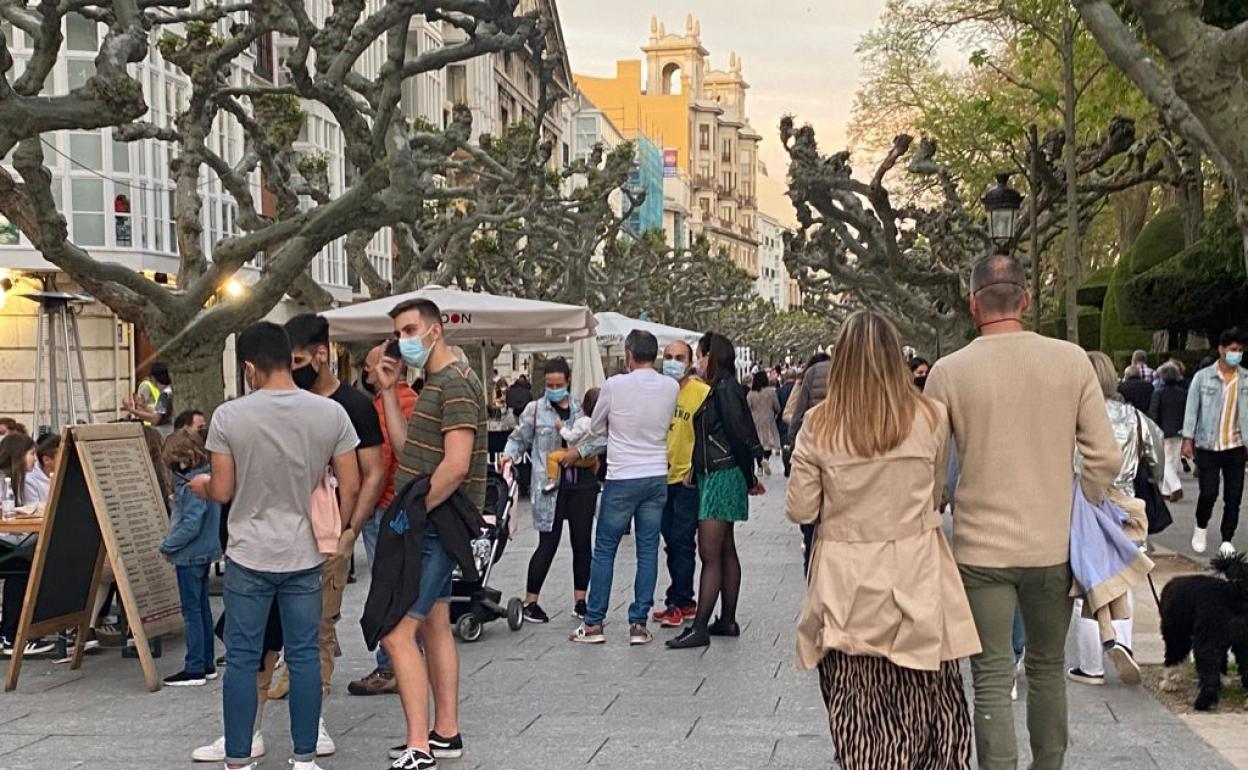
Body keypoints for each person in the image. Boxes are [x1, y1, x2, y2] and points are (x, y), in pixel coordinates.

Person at [923, 254, 1120, 770]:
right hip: (1051, 544)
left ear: (973, 305)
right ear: (1027, 300)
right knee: (1049, 667)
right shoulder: (1071, 361)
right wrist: (1082, 499)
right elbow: (1105, 456)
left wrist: (937, 505)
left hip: (980, 549)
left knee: (991, 674)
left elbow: (931, 467)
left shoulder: (948, 372)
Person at [786, 311, 979, 769]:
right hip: (917, 569)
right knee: (928, 695)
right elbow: (936, 494)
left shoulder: (819, 424)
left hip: (846, 579)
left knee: (857, 701)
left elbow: (801, 509)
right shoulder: (931, 417)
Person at [189, 321, 361, 770]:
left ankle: (238, 757)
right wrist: (338, 530)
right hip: (305, 552)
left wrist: (203, 486)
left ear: (250, 368)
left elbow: (223, 490)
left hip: (248, 552)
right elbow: (351, 483)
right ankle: (304, 757)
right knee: (303, 656)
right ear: (290, 358)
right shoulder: (330, 414)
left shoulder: (229, 417)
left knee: (243, 658)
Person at [371, 298, 488, 770]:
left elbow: (455, 466)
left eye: (409, 330)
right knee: (435, 624)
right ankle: (445, 732)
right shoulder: (436, 382)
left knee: (397, 634)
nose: (403, 340)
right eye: (398, 333)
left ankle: (418, 746)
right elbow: (410, 451)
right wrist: (388, 391)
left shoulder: (453, 384)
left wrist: (414, 513)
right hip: (434, 522)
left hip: (437, 525)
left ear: (434, 331)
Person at [284, 313, 386, 747]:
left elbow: (372, 473)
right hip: (284, 530)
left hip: (331, 534)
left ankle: (315, 717)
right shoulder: (284, 400)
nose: (290, 369)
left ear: (321, 355)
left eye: (297, 360)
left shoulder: (354, 406)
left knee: (320, 626)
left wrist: (350, 531)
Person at [571, 330, 678, 647]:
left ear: (628, 354)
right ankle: (638, 623)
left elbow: (595, 426)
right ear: (655, 355)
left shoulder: (614, 385)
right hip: (656, 474)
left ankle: (594, 623)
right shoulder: (671, 386)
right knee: (648, 549)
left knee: (605, 549)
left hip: (622, 475)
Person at [1067, 351, 1160, 688]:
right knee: (1124, 577)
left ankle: (1091, 666)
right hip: (1125, 506)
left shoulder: (1071, 417)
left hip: (1084, 504)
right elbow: (1156, 457)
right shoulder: (1135, 418)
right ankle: (1124, 642)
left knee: (1087, 584)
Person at [668, 333, 765, 650]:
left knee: (709, 552)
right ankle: (727, 619)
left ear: (711, 356)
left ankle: (700, 627)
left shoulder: (723, 390)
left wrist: (748, 476)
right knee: (724, 549)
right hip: (719, 473)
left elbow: (737, 435)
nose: (698, 361)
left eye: (700, 355)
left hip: (722, 476)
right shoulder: (724, 388)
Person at [500, 359, 603, 624]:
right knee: (548, 543)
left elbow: (600, 439)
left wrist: (579, 452)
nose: (554, 389)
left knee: (582, 542)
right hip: (549, 486)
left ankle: (581, 601)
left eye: (558, 384)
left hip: (582, 484)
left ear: (568, 382)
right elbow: (518, 439)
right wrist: (509, 456)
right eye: (549, 385)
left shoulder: (583, 407)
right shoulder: (535, 410)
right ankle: (531, 601)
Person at [349, 346, 419, 697]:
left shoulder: (388, 406)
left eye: (369, 366)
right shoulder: (412, 400)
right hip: (401, 507)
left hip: (386, 507)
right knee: (402, 587)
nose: (366, 374)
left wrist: (360, 511)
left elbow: (382, 462)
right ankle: (405, 660)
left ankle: (390, 664)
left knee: (387, 589)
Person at [653, 341, 711, 628]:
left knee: (682, 541)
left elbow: (708, 435)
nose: (673, 362)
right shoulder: (657, 391)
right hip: (659, 477)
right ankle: (682, 599)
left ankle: (679, 601)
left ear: (690, 362)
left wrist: (696, 470)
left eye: (679, 357)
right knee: (671, 542)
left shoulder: (702, 393)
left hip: (687, 479)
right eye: (668, 357)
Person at [160, 428, 223, 687]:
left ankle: (195, 666)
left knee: (192, 611)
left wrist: (167, 545)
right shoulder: (209, 476)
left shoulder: (191, 484)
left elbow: (190, 523)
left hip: (189, 553)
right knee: (202, 608)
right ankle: (206, 664)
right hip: (206, 549)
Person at [1183, 328, 1248, 557]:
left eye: (1240, 350)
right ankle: (1201, 525)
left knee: (1234, 496)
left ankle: (1227, 538)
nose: (1236, 354)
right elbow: (1192, 409)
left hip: (1236, 445)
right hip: (1208, 445)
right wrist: (1187, 438)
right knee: (1209, 493)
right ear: (1221, 349)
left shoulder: (1245, 379)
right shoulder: (1203, 377)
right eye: (1233, 349)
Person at [0, 433, 54, 656]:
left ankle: (13, 632)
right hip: (6, 541)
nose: (34, 458)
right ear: (18, 455)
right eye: (31, 454)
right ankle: (12, 637)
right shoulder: (4, 481)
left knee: (25, 565)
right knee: (22, 570)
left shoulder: (16, 479)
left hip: (9, 539)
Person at [787, 352, 832, 572]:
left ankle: (811, 574)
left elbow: (797, 415)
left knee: (811, 534)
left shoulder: (812, 374)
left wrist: (794, 444)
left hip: (814, 450)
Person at [540, 388, 601, 495]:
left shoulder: (582, 422)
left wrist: (561, 428)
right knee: (597, 462)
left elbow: (571, 437)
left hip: (576, 457)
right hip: (592, 459)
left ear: (584, 405)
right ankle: (595, 478)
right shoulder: (599, 423)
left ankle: (552, 481)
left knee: (552, 457)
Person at [1149, 363, 1189, 502]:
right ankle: (1166, 490)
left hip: (1163, 431)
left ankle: (1175, 487)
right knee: (1172, 460)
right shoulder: (1183, 393)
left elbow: (1153, 413)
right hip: (1179, 430)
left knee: (1164, 461)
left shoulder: (1158, 393)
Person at [746, 372, 782, 477]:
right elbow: (777, 406)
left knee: (758, 443)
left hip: (755, 421)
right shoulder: (771, 392)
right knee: (769, 443)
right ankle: (765, 459)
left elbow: (747, 408)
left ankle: (759, 468)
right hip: (769, 420)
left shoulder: (751, 394)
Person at [125, 362, 174, 436]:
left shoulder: (165, 395)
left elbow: (155, 419)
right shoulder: (169, 391)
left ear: (154, 378)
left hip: (164, 434)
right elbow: (159, 412)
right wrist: (144, 406)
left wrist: (132, 411)